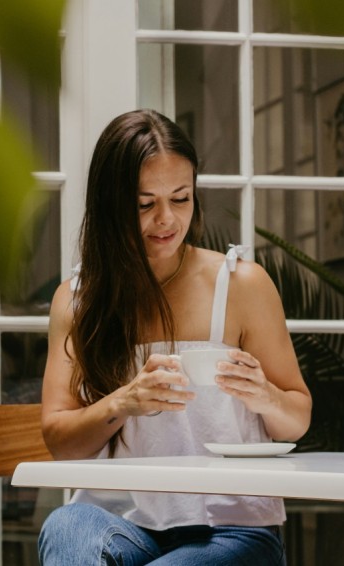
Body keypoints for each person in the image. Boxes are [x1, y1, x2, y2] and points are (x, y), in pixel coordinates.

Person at [38, 109, 312, 565]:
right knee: (66, 527)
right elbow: (59, 438)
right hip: (120, 520)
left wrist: (264, 396)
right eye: (144, 204)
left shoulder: (242, 285)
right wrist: (125, 401)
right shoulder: (77, 300)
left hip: (232, 530)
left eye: (180, 198)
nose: (166, 219)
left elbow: (297, 417)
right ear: (110, 205)